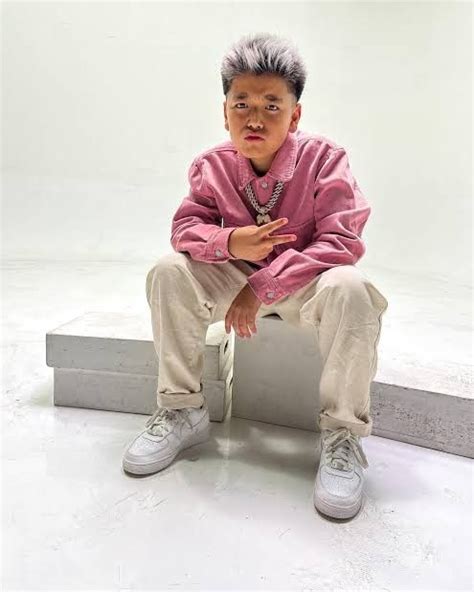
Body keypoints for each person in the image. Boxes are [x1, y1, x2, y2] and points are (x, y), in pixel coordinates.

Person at [122, 32, 389, 520]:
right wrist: (230, 244)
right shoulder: (211, 165)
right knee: (168, 272)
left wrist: (259, 285)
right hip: (232, 275)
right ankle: (183, 409)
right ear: (224, 111)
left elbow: (343, 240)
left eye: (271, 104)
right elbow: (185, 227)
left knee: (353, 288)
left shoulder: (325, 160)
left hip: (305, 282)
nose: (255, 117)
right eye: (241, 103)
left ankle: (342, 435)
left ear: (295, 113)